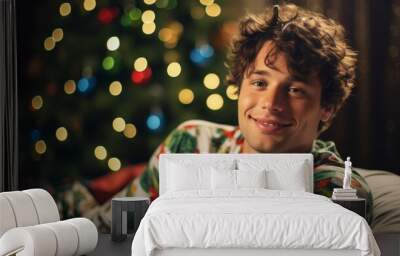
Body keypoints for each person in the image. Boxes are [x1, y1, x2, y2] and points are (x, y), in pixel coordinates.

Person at [58, 4, 373, 232]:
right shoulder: (191, 141)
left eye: (295, 89)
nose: (270, 103)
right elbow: (110, 226)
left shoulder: (335, 189)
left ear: (327, 107)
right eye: (259, 82)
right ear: (239, 86)